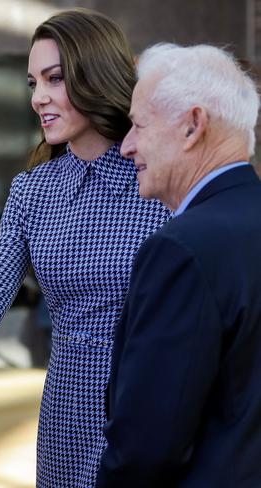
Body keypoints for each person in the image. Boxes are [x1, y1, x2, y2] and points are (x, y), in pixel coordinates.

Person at [0, 8, 171, 487]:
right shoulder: (32, 190)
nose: (39, 98)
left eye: (55, 79)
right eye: (32, 83)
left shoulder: (159, 177)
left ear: (96, 76)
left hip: (151, 399)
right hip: (67, 410)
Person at [96, 44, 261, 487]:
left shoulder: (181, 250)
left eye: (137, 125)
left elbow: (146, 446)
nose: (126, 147)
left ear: (192, 125)